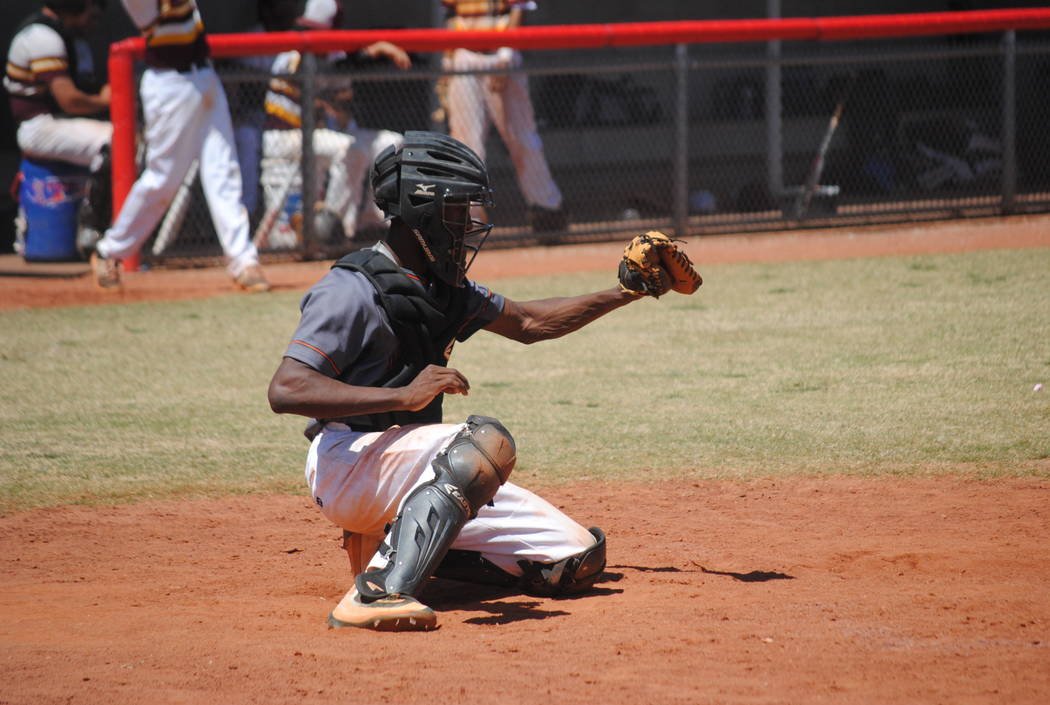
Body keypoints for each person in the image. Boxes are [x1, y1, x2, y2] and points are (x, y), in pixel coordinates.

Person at [267, 131, 696, 632]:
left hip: (407, 467)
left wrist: (628, 290)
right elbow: (287, 389)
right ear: (421, 208)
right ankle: (376, 594)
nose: (472, 222)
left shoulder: (443, 285)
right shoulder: (352, 288)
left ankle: (387, 547)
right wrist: (401, 396)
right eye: (460, 208)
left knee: (573, 560)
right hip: (346, 461)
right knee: (482, 442)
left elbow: (531, 323)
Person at [91, 0, 270, 293]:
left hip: (204, 76)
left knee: (224, 170)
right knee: (163, 179)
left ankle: (243, 261)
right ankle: (110, 251)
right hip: (170, 84)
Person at [258, 0, 409, 247]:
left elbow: (341, 106)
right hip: (285, 136)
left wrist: (369, 53)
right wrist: (370, 50)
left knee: (391, 143)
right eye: (310, 30)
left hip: (324, 134)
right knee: (349, 149)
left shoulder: (336, 55)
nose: (312, 36)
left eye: (319, 32)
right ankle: (331, 224)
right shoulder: (293, 53)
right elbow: (327, 72)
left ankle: (369, 222)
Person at [439, 0, 567, 236]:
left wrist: (506, 57)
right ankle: (469, 217)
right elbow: (449, 15)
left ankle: (547, 210)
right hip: (464, 55)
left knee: (521, 137)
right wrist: (448, 62)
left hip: (500, 53)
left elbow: (519, 10)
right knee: (465, 144)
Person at [4, 0, 112, 249]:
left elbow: (84, 92)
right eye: (90, 10)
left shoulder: (73, 38)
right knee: (117, 142)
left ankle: (102, 225)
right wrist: (108, 100)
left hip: (59, 124)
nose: (94, 19)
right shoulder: (42, 35)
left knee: (128, 138)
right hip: (38, 127)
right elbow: (70, 101)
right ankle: (93, 224)